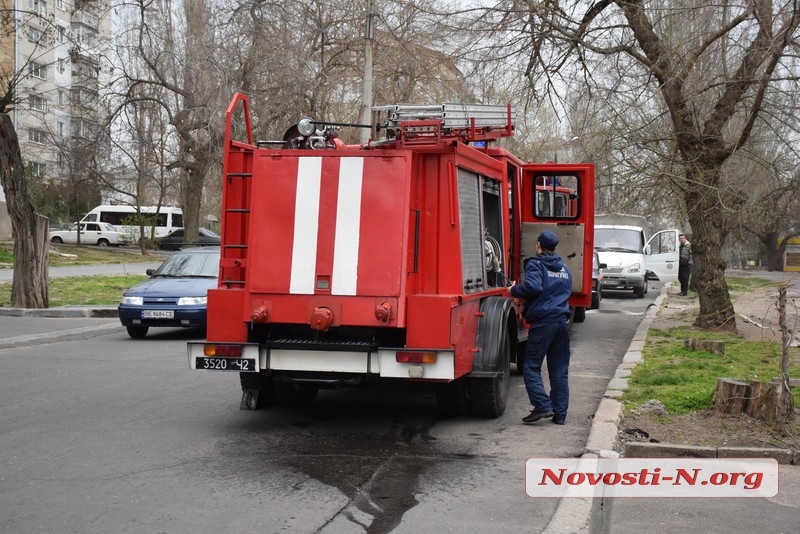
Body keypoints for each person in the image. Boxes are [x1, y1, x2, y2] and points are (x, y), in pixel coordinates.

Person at [508, 230, 572, 425]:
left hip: (544, 322)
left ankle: (543, 405)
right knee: (559, 369)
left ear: (538, 246)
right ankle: (560, 415)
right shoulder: (564, 268)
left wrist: (514, 289)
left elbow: (533, 287)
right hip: (562, 322)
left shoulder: (536, 264)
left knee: (531, 366)